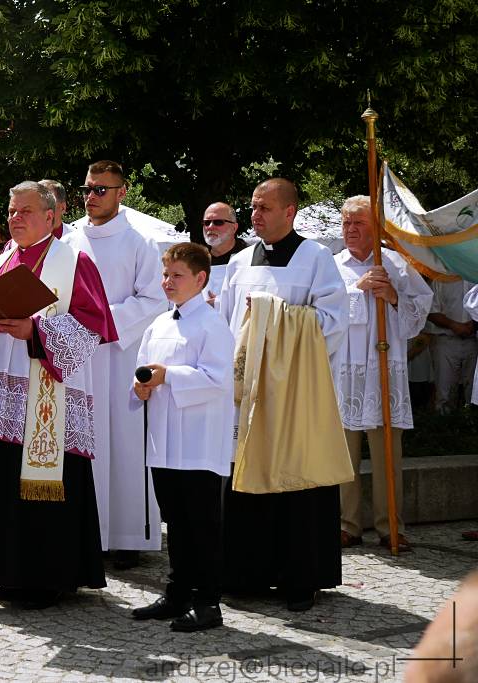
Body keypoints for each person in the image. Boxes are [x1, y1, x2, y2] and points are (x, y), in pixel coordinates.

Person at [0, 181, 118, 609]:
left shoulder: (74, 261)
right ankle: (4, 571)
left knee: (40, 486)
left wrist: (35, 331)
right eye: (11, 211)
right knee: (0, 477)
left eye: (25, 211)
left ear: (50, 216)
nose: (15, 218)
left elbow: (92, 326)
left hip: (45, 394)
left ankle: (47, 578)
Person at [216, 178, 349, 612]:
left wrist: (273, 317)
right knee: (245, 478)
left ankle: (301, 578)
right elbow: (226, 324)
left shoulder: (316, 258)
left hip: (294, 390)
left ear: (290, 211)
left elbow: (333, 321)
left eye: (265, 208)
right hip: (248, 393)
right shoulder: (239, 262)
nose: (255, 215)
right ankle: (246, 574)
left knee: (297, 480)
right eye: (253, 207)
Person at [63, 160, 167, 569]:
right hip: (78, 354)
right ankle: (88, 531)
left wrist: (102, 320)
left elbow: (154, 299)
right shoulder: (68, 238)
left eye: (101, 190)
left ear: (122, 192)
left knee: (125, 443)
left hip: (122, 355)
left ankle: (126, 534)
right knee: (85, 441)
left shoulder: (140, 242)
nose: (91, 197)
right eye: (87, 189)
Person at [130, 243, 233, 632]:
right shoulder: (159, 323)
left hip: (197, 443)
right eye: (165, 274)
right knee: (174, 521)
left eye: (177, 275)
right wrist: (139, 387)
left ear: (200, 278)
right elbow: (142, 370)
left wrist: (168, 376)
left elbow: (217, 379)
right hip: (164, 442)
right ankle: (177, 594)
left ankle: (208, 603)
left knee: (201, 525)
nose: (167, 282)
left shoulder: (212, 324)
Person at [333, 195, 432, 553]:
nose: (350, 229)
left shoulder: (397, 263)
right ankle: (347, 524)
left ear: (376, 228)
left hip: (382, 369)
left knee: (387, 454)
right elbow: (321, 316)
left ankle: (390, 524)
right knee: (344, 455)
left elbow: (419, 312)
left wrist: (392, 295)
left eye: (358, 223)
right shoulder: (332, 267)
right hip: (345, 372)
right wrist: (356, 291)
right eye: (346, 223)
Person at [427, 278, 477, 413]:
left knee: (474, 390)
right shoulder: (441, 278)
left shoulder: (475, 276)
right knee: (444, 391)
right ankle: (444, 422)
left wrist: (474, 324)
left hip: (474, 341)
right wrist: (453, 325)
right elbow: (431, 311)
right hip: (446, 340)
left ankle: (470, 420)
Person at [203, 202, 249, 266]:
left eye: (218, 222)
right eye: (207, 222)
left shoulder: (251, 256)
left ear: (234, 228)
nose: (210, 227)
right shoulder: (196, 260)